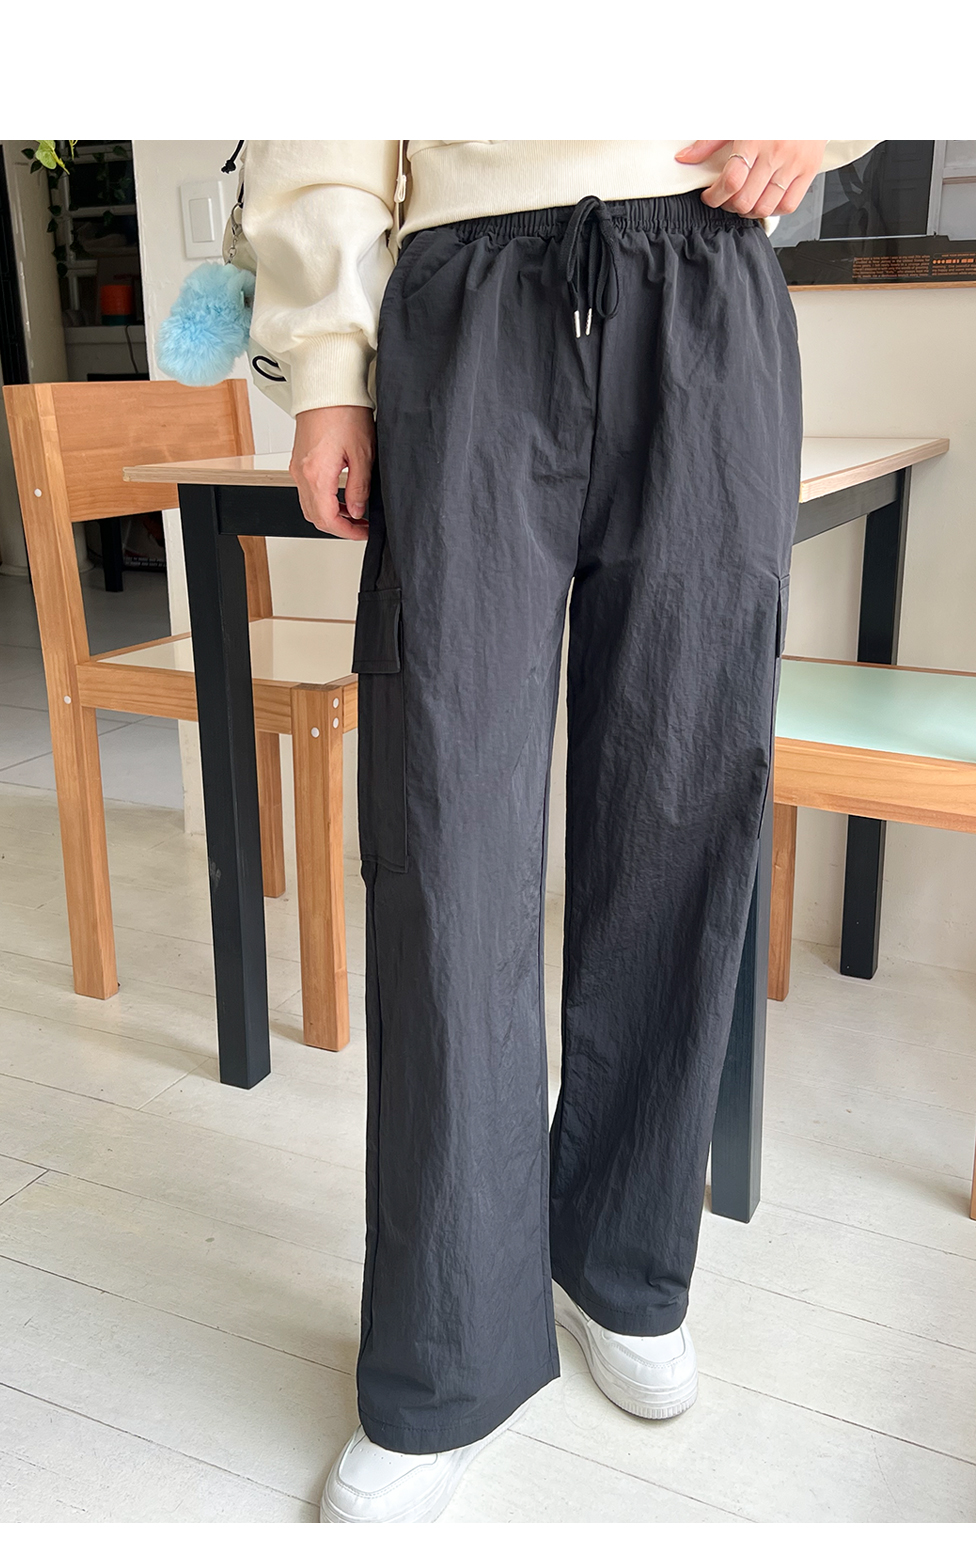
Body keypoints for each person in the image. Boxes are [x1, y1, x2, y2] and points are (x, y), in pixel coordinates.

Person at [241, 138, 877, 1524]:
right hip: (466, 299)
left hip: (704, 276)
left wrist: (822, 110)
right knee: (445, 842)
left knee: (681, 803)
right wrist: (330, 370)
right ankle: (445, 1355)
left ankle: (622, 1264)